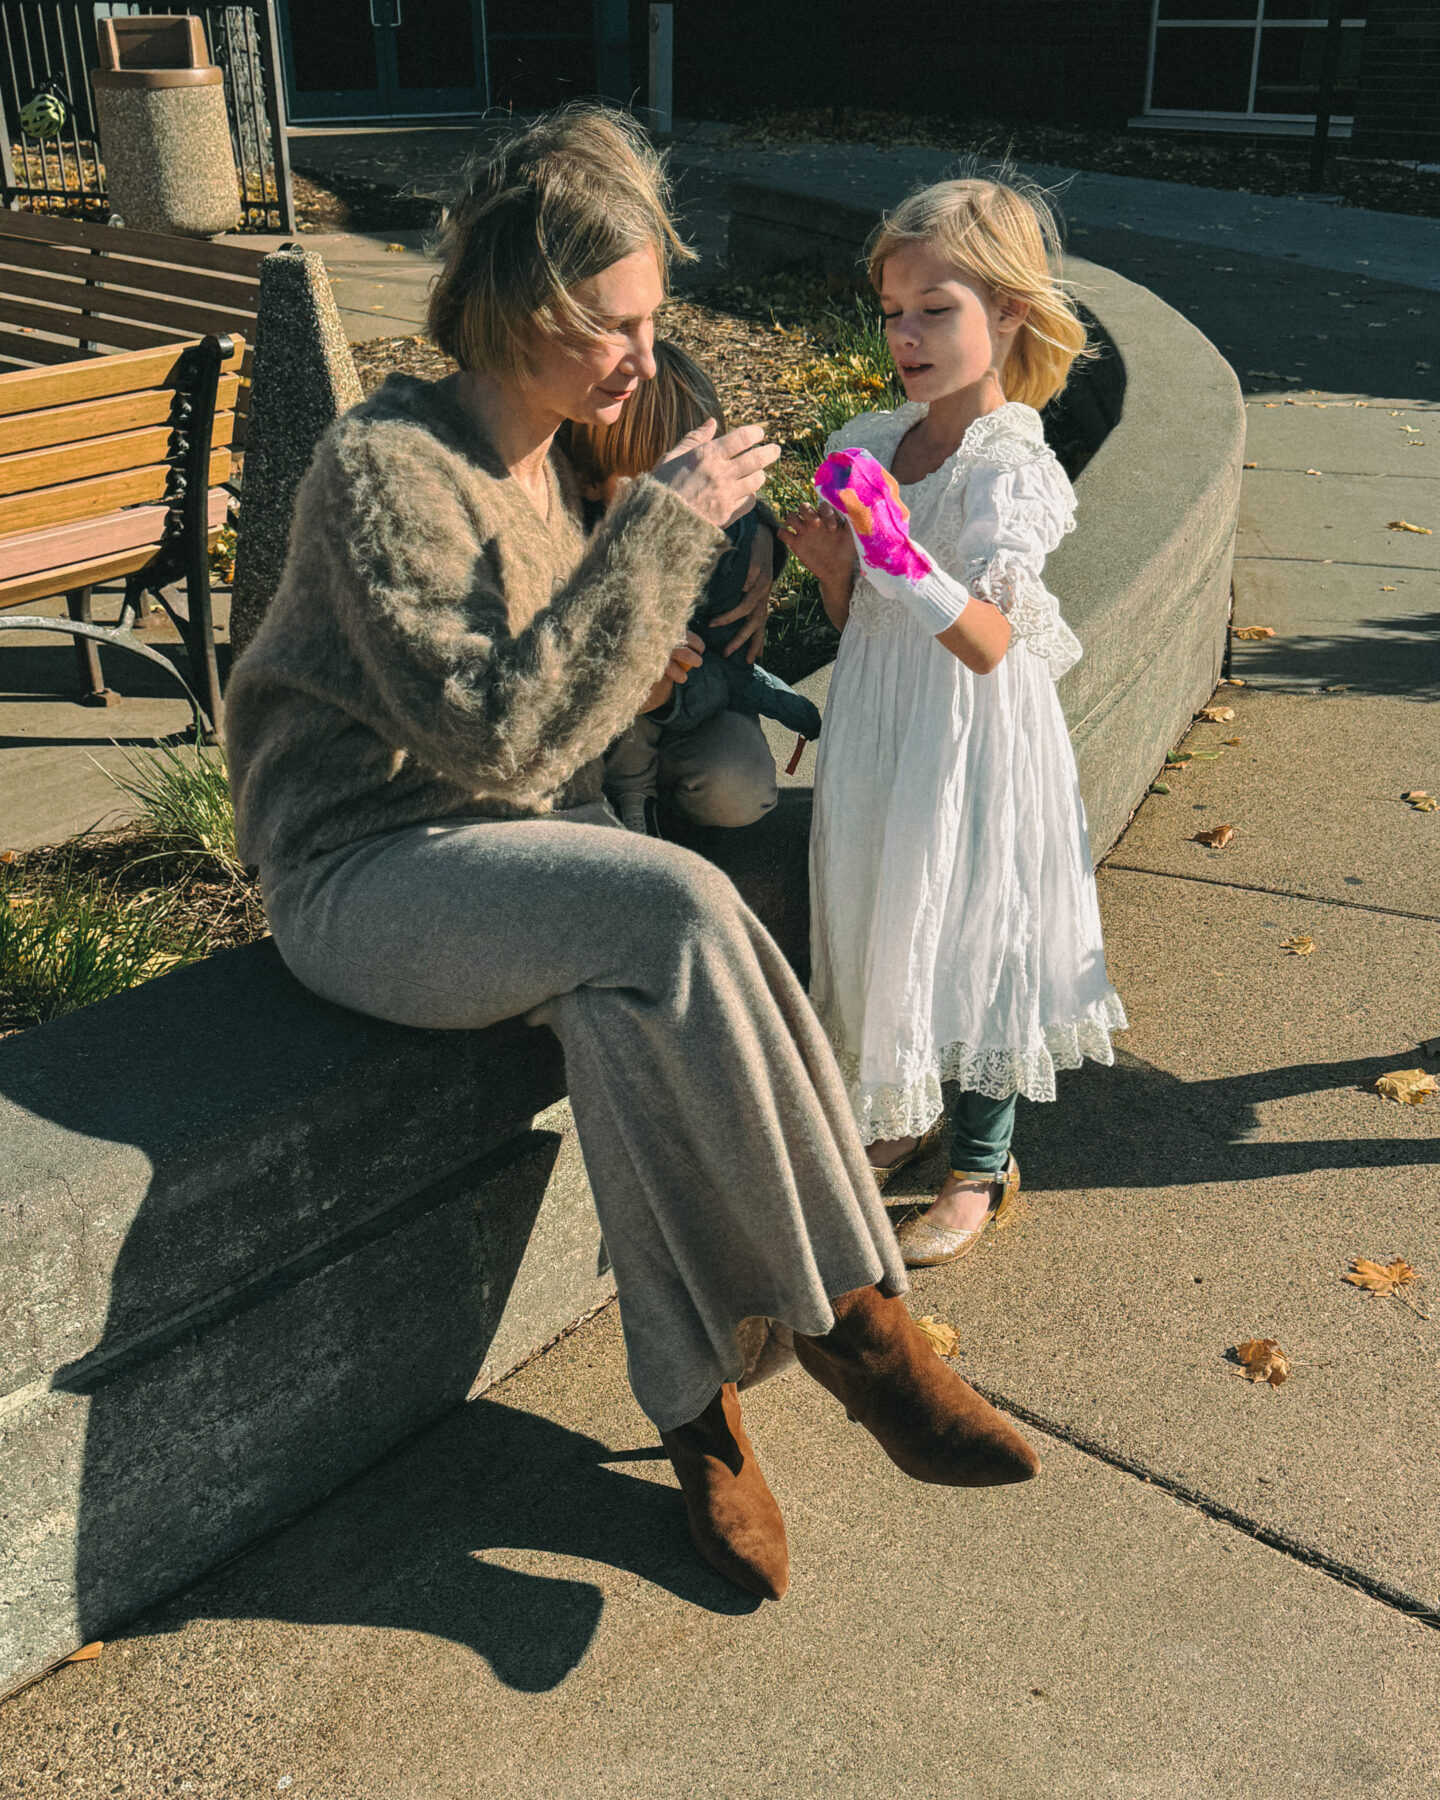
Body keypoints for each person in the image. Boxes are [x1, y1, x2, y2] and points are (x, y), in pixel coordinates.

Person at [224, 111, 1038, 1605]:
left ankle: (697, 1422)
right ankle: (859, 1327)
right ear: (525, 316)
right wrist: (662, 532)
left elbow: (560, 741)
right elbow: (494, 733)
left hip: (505, 853)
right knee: (671, 904)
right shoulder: (385, 463)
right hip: (362, 873)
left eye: (653, 322)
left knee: (633, 990)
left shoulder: (548, 458)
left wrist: (660, 651)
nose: (646, 361)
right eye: (619, 326)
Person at [781, 175, 1127, 1269]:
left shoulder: (1010, 465)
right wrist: (841, 569)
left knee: (977, 923)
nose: (907, 336)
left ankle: (983, 1161)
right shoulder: (870, 438)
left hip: (974, 729)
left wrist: (888, 547)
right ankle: (900, 1108)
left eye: (938, 309)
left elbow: (985, 637)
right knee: (886, 902)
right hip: (884, 716)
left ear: (1010, 313)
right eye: (893, 311)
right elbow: (860, 620)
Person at [563, 339, 822, 835]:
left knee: (738, 785)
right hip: (590, 734)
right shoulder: (566, 533)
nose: (690, 503)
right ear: (588, 480)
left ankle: (655, 794)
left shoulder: (732, 540)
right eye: (657, 484)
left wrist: (665, 698)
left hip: (693, 709)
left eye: (698, 478)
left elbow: (730, 666)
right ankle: (618, 797)